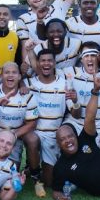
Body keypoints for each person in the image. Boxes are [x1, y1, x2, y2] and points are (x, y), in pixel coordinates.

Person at [25, 49, 70, 191]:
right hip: (36, 132)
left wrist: (74, 101)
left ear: (55, 63)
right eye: (43, 60)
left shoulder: (64, 84)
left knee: (50, 182)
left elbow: (75, 112)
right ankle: (35, 175)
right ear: (38, 63)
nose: (46, 63)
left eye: (49, 60)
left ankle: (43, 171)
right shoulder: (29, 83)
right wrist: (21, 84)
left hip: (55, 134)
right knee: (32, 140)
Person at [63, 44, 100, 147]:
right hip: (75, 122)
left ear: (99, 57)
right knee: (63, 132)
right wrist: (75, 101)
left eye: (93, 55)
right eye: (86, 56)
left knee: (90, 159)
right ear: (81, 59)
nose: (89, 59)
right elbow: (76, 115)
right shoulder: (71, 73)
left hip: (96, 126)